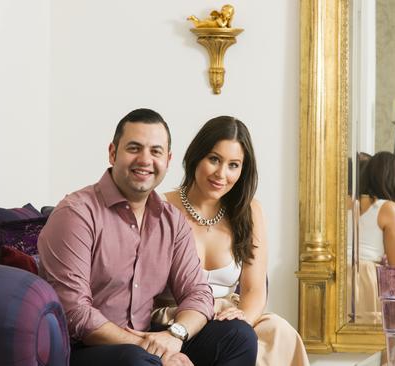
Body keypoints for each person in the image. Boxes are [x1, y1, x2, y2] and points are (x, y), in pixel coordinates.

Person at [37, 109, 257, 366]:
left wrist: (176, 334)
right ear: (112, 152)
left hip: (147, 340)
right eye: (134, 148)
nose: (145, 160)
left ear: (168, 159)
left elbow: (197, 293)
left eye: (155, 151)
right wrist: (158, 350)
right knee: (135, 360)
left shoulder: (171, 221)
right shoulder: (76, 214)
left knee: (239, 336)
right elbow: (75, 313)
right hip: (84, 348)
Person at [151, 116, 310, 366]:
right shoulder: (160, 208)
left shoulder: (250, 212)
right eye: (214, 159)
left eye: (233, 165)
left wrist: (243, 319)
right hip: (176, 318)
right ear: (196, 156)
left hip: (230, 317)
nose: (221, 174)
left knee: (279, 332)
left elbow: (254, 289)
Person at [354, 151, 395, 323]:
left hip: (339, 276)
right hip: (366, 277)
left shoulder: (345, 203)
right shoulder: (388, 208)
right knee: (371, 340)